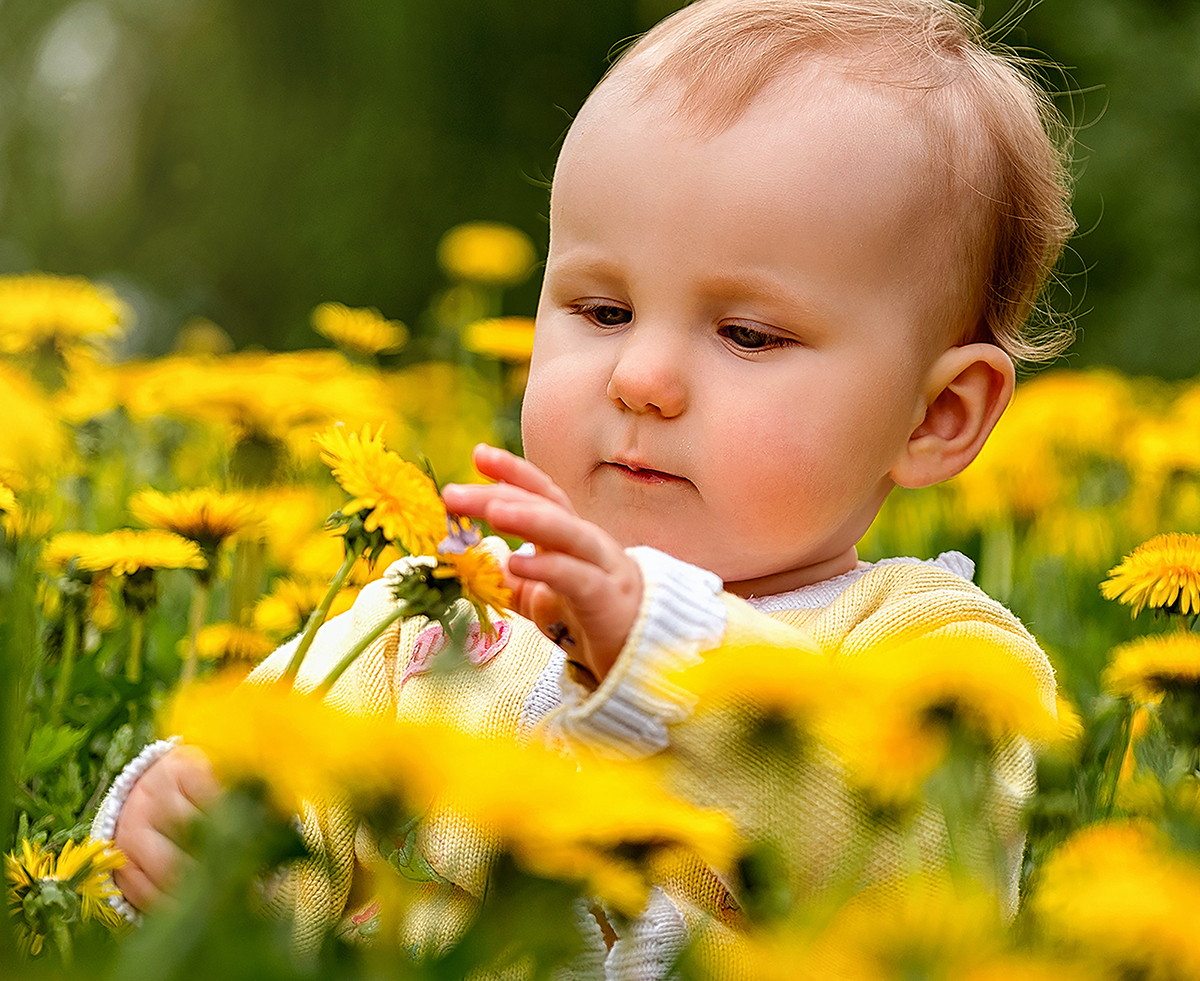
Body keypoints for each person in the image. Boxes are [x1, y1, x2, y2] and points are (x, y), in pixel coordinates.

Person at [94, 0, 1071, 973]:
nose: (640, 378)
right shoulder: (440, 615)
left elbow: (928, 876)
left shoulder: (940, 658)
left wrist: (662, 648)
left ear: (936, 416)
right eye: (603, 309)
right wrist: (194, 837)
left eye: (749, 335)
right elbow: (291, 813)